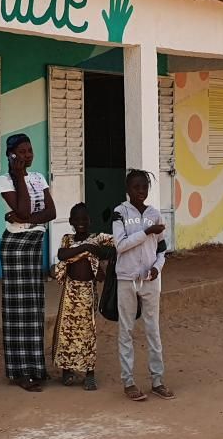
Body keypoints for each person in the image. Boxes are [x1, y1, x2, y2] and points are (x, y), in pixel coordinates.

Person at [0, 134, 56, 392]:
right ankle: (19, 371)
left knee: (34, 308)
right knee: (16, 311)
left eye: (30, 150)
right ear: (11, 155)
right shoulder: (4, 180)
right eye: (21, 152)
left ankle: (35, 367)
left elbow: (51, 213)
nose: (27, 155)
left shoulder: (39, 178)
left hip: (34, 243)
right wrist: (19, 177)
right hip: (15, 246)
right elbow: (20, 209)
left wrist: (25, 216)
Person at [113, 169, 174, 402]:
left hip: (150, 280)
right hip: (126, 279)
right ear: (128, 189)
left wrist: (157, 267)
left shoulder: (155, 215)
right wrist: (146, 232)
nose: (141, 191)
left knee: (153, 329)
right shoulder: (119, 213)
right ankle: (128, 382)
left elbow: (161, 250)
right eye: (136, 187)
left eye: (144, 187)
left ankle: (157, 380)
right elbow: (120, 245)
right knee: (126, 330)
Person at [52, 203, 113, 391]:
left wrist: (92, 248)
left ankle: (89, 374)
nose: (81, 223)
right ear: (70, 221)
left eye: (84, 219)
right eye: (77, 219)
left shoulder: (97, 239)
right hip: (70, 292)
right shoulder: (67, 240)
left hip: (88, 293)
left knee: (88, 334)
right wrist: (86, 247)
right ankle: (67, 371)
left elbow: (112, 247)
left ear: (90, 221)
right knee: (67, 333)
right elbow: (62, 255)